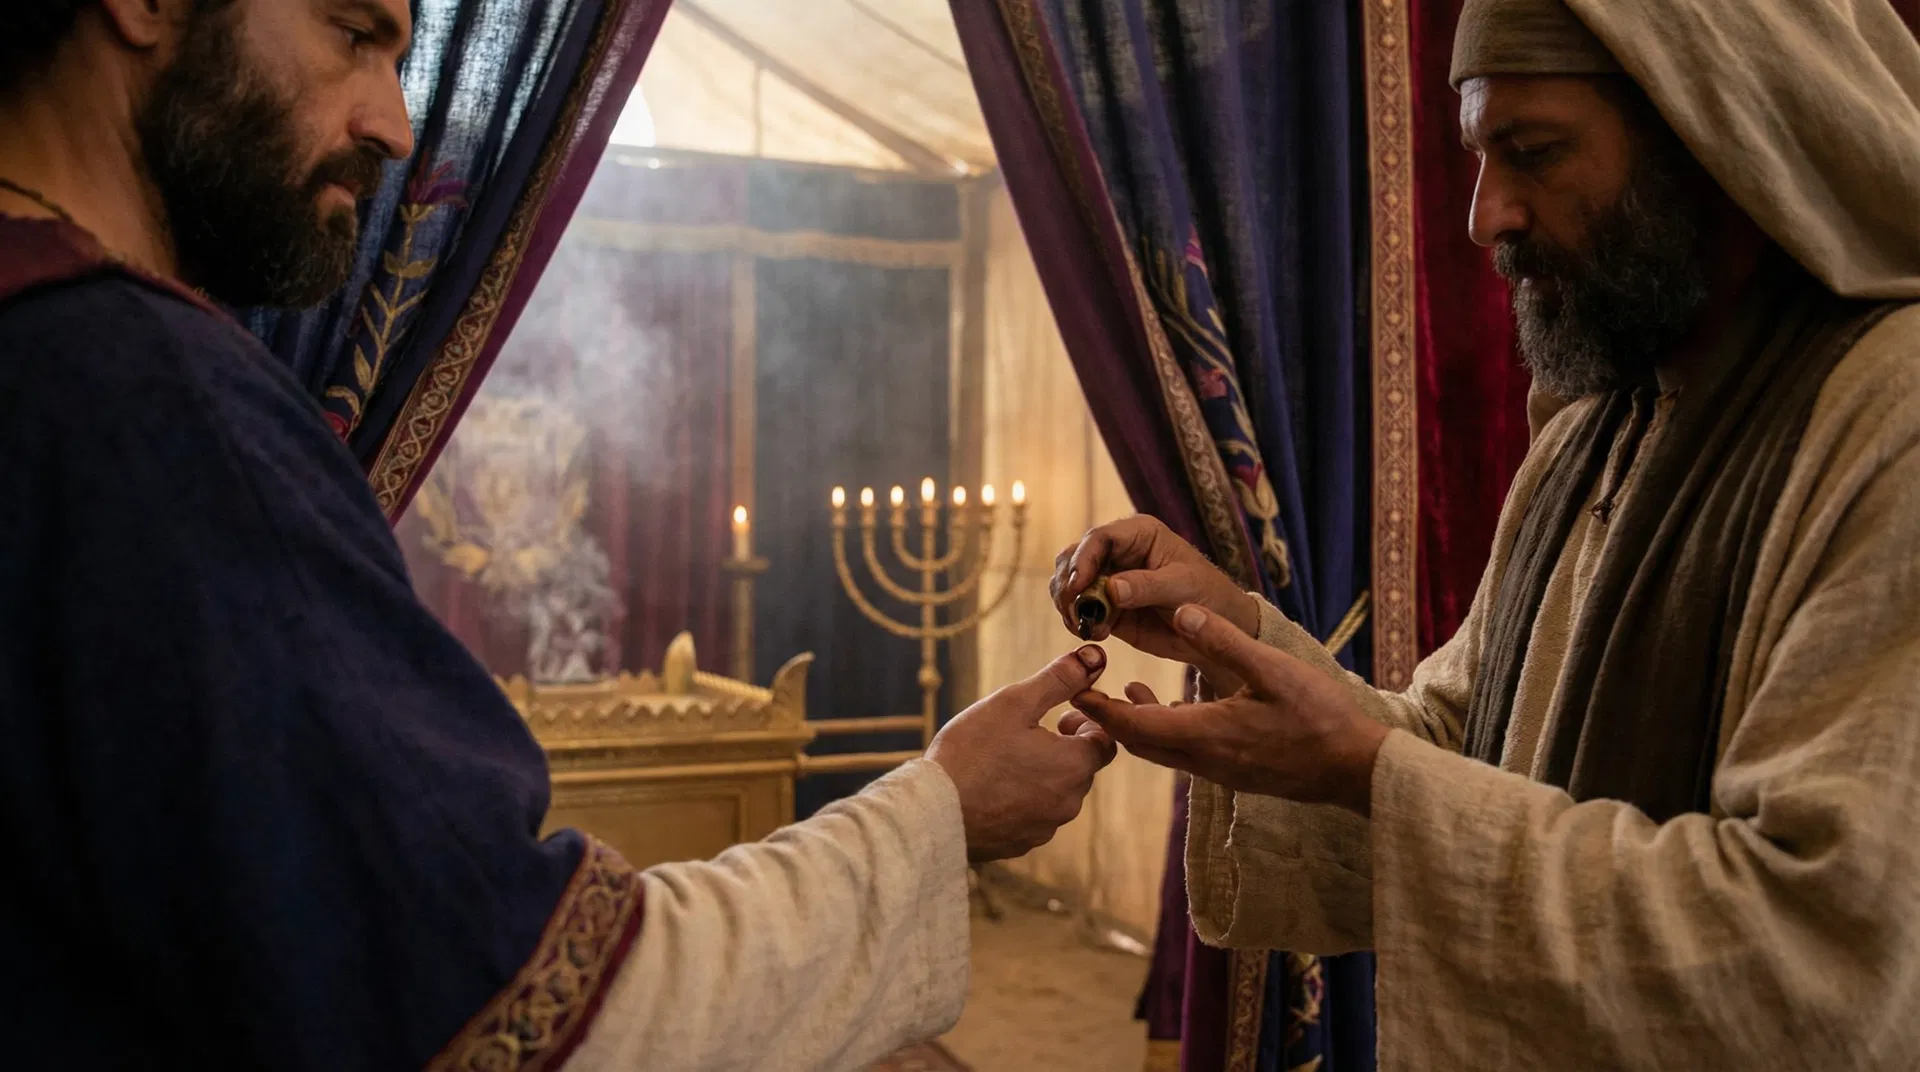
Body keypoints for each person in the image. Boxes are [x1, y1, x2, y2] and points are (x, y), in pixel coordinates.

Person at [0, 1, 1117, 1068]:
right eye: (350, 33)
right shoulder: (148, 402)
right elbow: (537, 1013)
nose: (393, 123)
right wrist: (946, 808)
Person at [1053, 0, 1920, 1067]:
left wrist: (1370, 769)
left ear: (1718, 133)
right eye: (1478, 154)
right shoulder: (1593, 432)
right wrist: (1235, 635)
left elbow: (1828, 957)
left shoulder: (1891, 421)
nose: (1486, 215)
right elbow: (1469, 750)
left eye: (1537, 152)